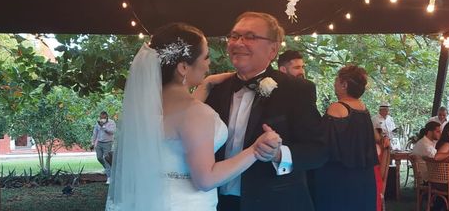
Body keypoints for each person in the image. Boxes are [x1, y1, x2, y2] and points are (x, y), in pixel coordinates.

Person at [106, 22, 281, 211]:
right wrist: (255, 149)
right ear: (183, 67)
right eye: (205, 57)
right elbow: (206, 179)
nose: (209, 63)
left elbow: (179, 124)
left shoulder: (146, 109)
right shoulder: (196, 113)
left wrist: (205, 85)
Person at [206, 12, 326, 211]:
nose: (238, 43)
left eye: (250, 37)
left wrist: (279, 154)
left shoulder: (297, 90)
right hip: (218, 203)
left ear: (273, 49)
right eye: (234, 36)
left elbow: (319, 151)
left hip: (274, 203)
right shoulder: (217, 89)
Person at [311, 65, 378, 211]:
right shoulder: (363, 108)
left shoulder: (337, 108)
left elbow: (324, 142)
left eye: (336, 80)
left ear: (344, 84)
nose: (334, 84)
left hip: (340, 175)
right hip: (363, 176)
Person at [91, 111, 116, 184]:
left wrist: (103, 126)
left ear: (107, 117)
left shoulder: (111, 122)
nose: (102, 119)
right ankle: (109, 170)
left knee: (106, 159)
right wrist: (92, 143)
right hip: (99, 143)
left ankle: (109, 177)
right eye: (101, 118)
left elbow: (112, 132)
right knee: (99, 158)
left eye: (104, 118)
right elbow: (95, 133)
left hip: (108, 143)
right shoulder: (98, 124)